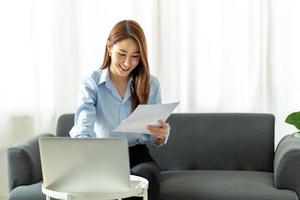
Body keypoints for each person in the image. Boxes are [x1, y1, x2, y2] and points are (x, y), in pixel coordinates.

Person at [69, 20, 170, 200]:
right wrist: (86, 152)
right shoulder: (91, 83)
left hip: (137, 155)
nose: (127, 62)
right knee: (103, 181)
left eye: (135, 56)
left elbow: (153, 136)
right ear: (109, 47)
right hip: (102, 155)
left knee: (148, 176)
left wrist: (161, 135)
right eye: (122, 53)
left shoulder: (151, 84)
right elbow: (83, 126)